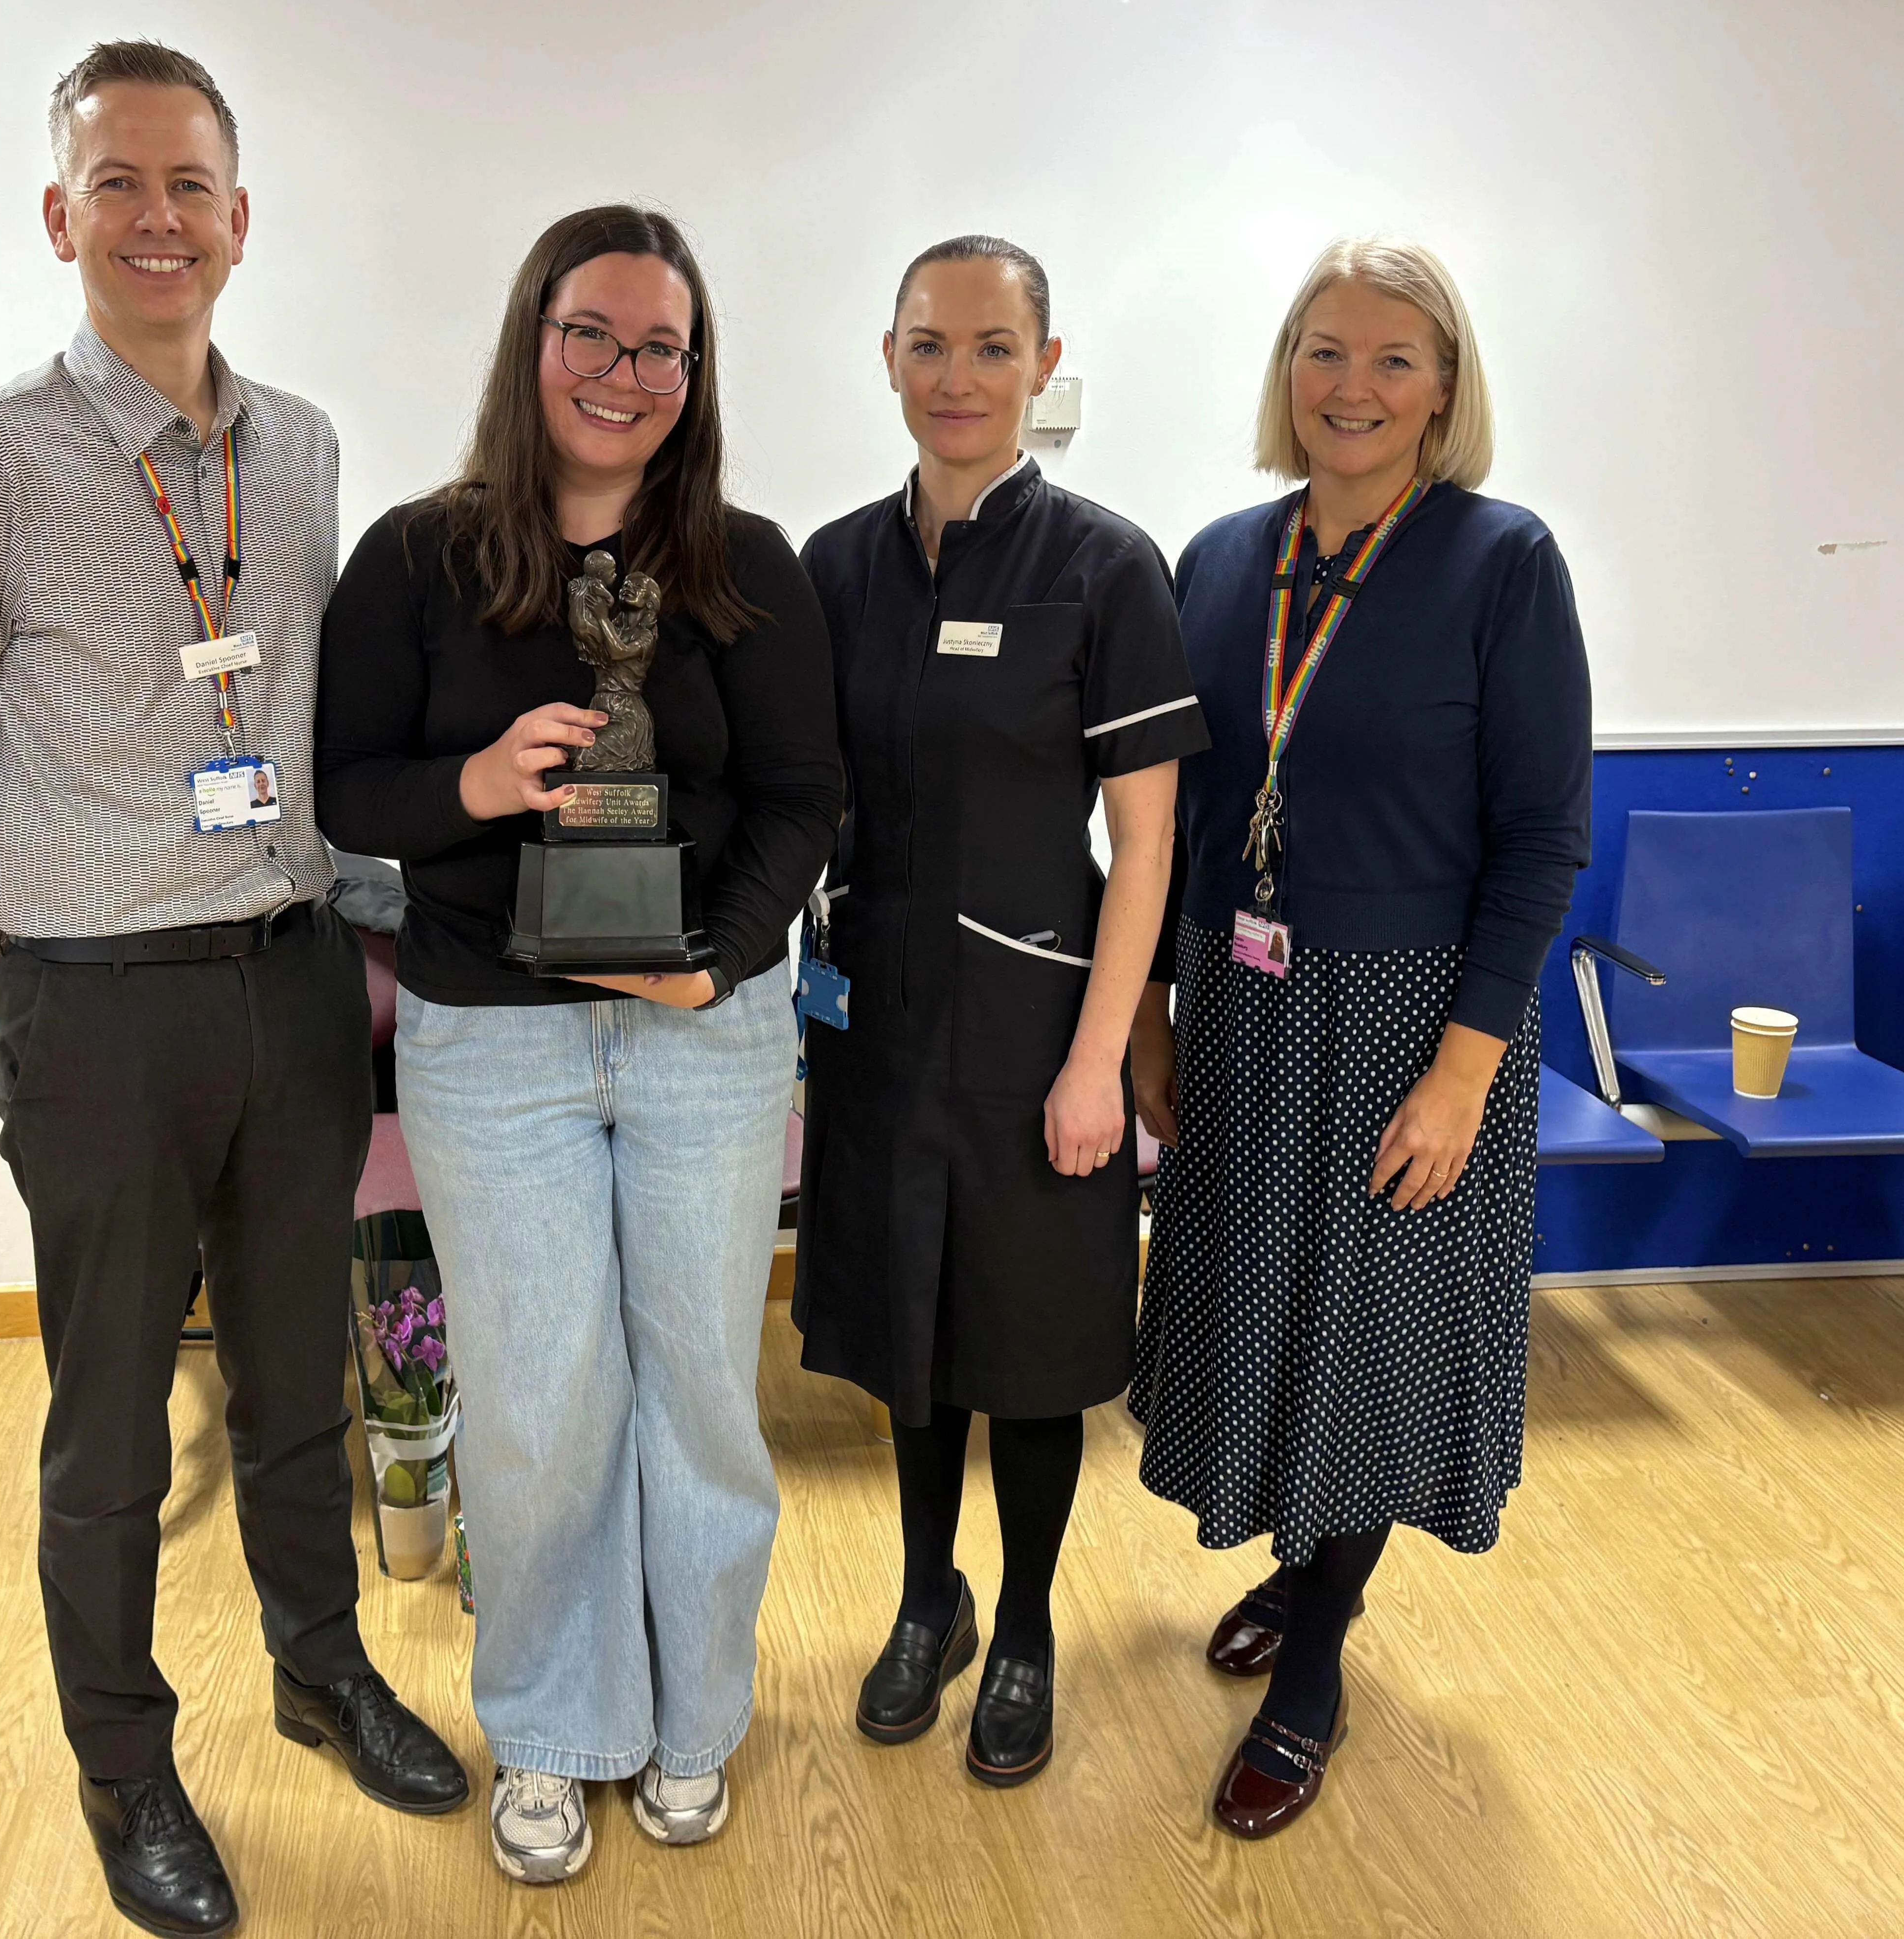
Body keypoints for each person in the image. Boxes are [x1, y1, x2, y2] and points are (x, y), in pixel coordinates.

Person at [0, 40, 465, 1939]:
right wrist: (14, 925)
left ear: (239, 221)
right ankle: (125, 1770)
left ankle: (320, 1670)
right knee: (115, 1421)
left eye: (189, 185)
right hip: (98, 1011)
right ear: (59, 217)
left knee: (301, 1375)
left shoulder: (295, 448)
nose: (156, 219)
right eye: (117, 184)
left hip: (288, 979)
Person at [316, 205, 839, 1886]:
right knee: (540, 1405)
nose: (624, 373)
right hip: (495, 1040)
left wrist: (717, 964)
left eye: (660, 347)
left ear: (696, 372)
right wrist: (474, 784)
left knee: (700, 1394)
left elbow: (801, 799)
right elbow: (346, 789)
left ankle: (697, 1718)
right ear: (530, 340)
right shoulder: (416, 557)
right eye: (592, 334)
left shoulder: (748, 564)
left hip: (705, 1038)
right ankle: (547, 1729)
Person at [1128, 238, 1592, 1838]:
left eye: (1397, 360)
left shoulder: (1501, 561)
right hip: (1242, 1002)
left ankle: (1316, 1657)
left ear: (1446, 390)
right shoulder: (1216, 557)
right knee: (1269, 1307)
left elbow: (1542, 840)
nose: (1356, 386)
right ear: (1287, 369)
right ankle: (1293, 1559)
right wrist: (1147, 1016)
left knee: (1371, 1333)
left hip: (1408, 1020)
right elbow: (1174, 815)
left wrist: (1466, 1066)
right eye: (1327, 351)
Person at [792, 237, 1206, 1788]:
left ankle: (1024, 1619)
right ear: (886, 358)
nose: (956, 379)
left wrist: (1106, 1054)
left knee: (1027, 1351)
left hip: (1042, 1028)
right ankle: (928, 1599)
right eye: (927, 346)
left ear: (1043, 364)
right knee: (913, 1334)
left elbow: (1148, 839)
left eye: (989, 348)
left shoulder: (1103, 567)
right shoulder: (834, 567)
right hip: (879, 1024)